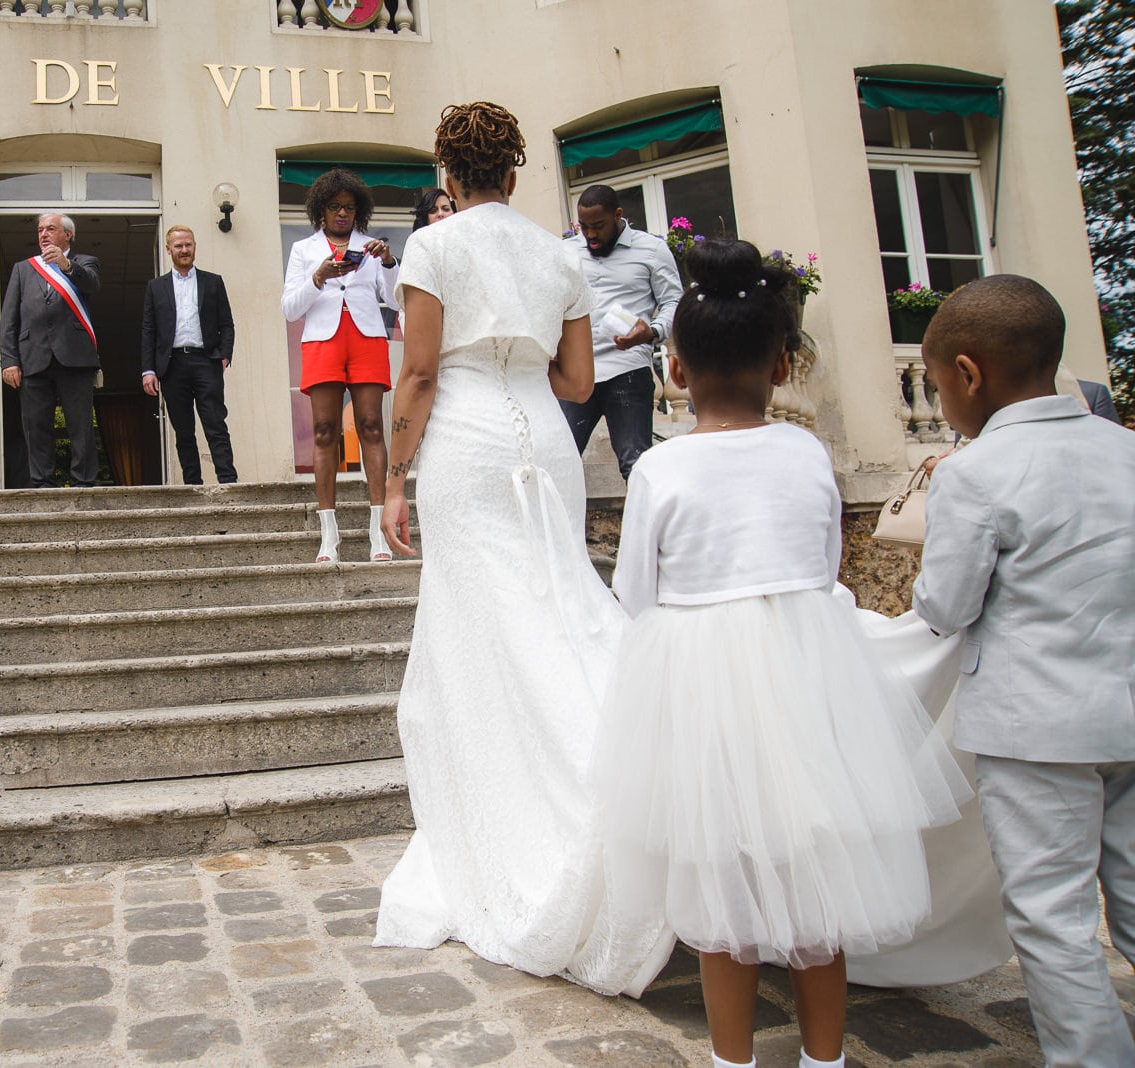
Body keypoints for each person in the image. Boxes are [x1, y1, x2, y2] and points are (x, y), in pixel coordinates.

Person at [599, 238, 969, 1068]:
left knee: (718, 880)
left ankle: (733, 1060)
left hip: (699, 682)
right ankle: (825, 1059)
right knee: (817, 875)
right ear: (781, 363)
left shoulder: (661, 468)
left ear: (675, 370)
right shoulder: (807, 454)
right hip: (808, 674)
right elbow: (820, 566)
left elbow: (635, 594)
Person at [373, 101, 676, 998]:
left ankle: (549, 819)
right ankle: (640, 778)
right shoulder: (558, 253)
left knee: (483, 629)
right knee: (558, 602)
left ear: (446, 173)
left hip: (465, 443)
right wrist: (517, 360)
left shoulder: (434, 246)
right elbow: (580, 380)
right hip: (545, 441)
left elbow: (420, 373)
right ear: (514, 171)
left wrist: (393, 477)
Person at [913, 275, 1135, 1068]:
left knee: (1053, 917)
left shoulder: (976, 472)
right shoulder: (1126, 447)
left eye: (938, 386)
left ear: (968, 374)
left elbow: (947, 603)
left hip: (1037, 726)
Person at [281, 168, 400, 562]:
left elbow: (398, 302)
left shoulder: (371, 247)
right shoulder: (303, 250)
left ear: (359, 211)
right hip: (322, 341)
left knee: (370, 426)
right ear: (321, 210)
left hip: (366, 339)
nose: (342, 214)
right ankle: (328, 536)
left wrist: (388, 263)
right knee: (324, 431)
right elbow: (289, 309)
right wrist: (317, 277)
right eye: (334, 207)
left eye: (349, 207)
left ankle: (378, 531)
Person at [561, 184, 682, 479]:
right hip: (577, 373)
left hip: (627, 370)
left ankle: (646, 526)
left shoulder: (652, 250)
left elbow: (674, 302)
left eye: (599, 226)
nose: (590, 234)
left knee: (635, 464)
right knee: (558, 463)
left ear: (618, 215)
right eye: (584, 226)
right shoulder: (564, 252)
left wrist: (652, 331)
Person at [0, 213, 102, 488]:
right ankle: (43, 482)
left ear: (67, 235)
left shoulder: (84, 262)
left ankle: (83, 482)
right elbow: (9, 318)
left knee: (79, 425)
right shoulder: (24, 269)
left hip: (75, 357)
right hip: (33, 357)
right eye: (40, 230)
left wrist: (65, 264)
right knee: (36, 426)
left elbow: (91, 284)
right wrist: (9, 360)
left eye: (51, 229)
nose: (43, 234)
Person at [140, 225, 238, 484]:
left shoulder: (213, 281)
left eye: (188, 245)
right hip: (172, 366)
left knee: (216, 424)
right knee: (183, 430)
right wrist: (148, 370)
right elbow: (148, 330)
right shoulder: (155, 287)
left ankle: (228, 481)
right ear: (169, 249)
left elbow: (226, 324)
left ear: (194, 246)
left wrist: (224, 354)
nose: (184, 250)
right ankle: (192, 485)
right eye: (179, 246)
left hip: (206, 361)